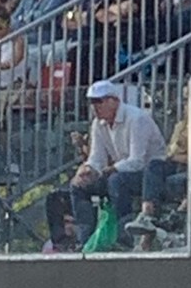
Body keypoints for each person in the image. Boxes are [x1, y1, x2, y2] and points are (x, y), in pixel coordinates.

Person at [70, 81, 168, 239]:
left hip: (151, 172)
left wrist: (112, 169)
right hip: (122, 170)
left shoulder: (137, 119)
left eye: (99, 101)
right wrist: (88, 169)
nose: (95, 107)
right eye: (92, 102)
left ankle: (124, 235)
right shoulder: (98, 124)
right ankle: (85, 239)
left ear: (113, 100)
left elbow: (137, 161)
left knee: (116, 181)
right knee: (78, 186)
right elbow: (97, 157)